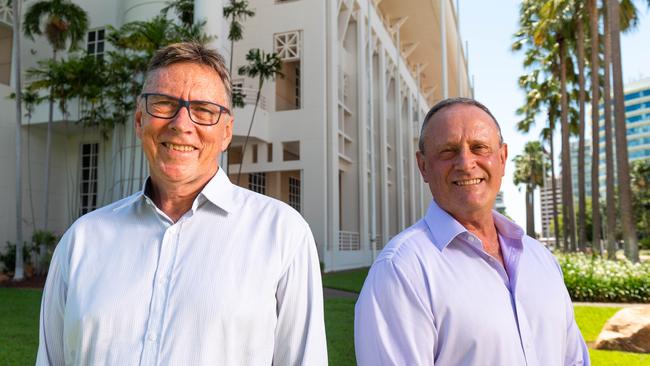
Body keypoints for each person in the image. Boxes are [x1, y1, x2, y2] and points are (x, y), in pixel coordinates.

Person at [36, 42, 327, 365]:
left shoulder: (282, 234)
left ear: (227, 132)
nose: (181, 124)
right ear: (138, 121)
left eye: (203, 110)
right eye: (163, 104)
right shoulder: (82, 240)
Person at [354, 98, 589, 365]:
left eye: (479, 148)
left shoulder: (541, 259)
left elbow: (574, 359)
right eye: (448, 151)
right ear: (423, 166)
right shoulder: (401, 269)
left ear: (502, 159)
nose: (466, 163)